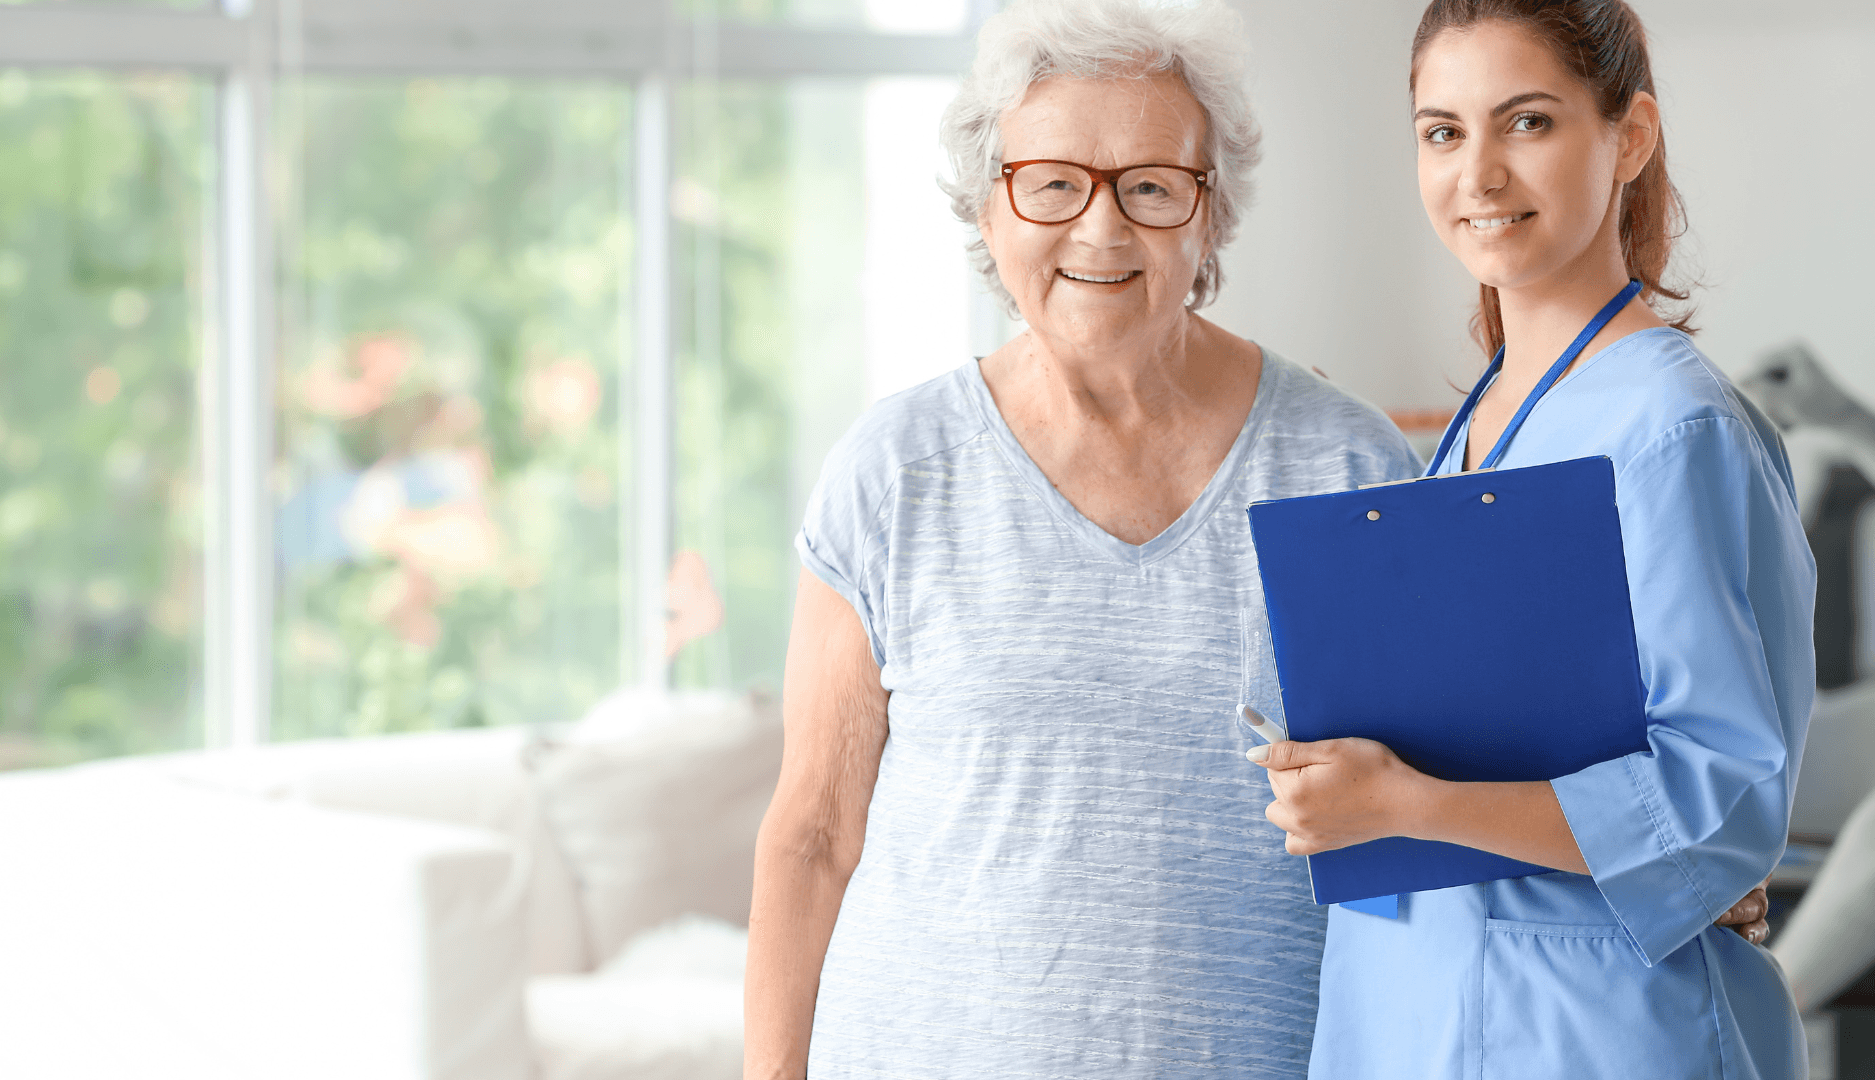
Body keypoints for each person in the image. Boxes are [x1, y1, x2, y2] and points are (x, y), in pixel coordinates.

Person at [739, 1, 1425, 1076]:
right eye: (1053, 182)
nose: (1100, 231)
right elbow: (814, 838)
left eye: (1152, 186)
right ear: (989, 205)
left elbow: (1425, 832)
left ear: (1211, 212)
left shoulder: (1350, 470)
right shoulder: (893, 472)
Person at [1247, 2, 1814, 1078]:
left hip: (1586, 1029)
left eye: (1529, 123)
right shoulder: (1484, 419)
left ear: (1629, 137)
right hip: (1412, 1015)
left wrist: (1402, 802)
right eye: (1443, 132)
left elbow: (1723, 797)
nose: (1480, 175)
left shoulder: (1670, 428)